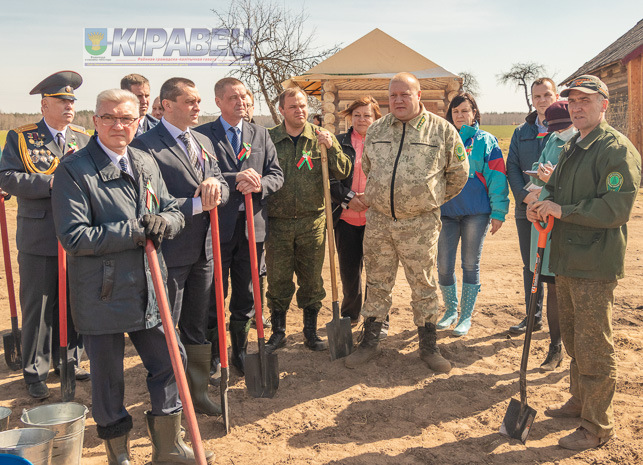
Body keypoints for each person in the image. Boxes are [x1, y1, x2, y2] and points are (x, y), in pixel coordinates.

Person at [52, 88, 215, 464]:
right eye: (109, 117)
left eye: (126, 118)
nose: (118, 126)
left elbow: (170, 209)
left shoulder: (143, 161)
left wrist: (167, 221)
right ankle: (118, 453)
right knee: (108, 382)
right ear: (95, 121)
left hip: (149, 287)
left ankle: (168, 447)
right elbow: (74, 237)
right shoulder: (75, 171)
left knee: (171, 362)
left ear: (138, 121)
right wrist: (137, 230)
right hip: (102, 294)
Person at [528, 75, 640, 450]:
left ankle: (597, 425)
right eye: (572, 101)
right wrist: (540, 207)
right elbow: (555, 189)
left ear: (604, 104)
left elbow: (615, 208)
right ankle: (580, 400)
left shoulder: (615, 150)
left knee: (594, 344)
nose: (577, 107)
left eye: (586, 101)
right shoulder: (574, 144)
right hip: (566, 256)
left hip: (595, 261)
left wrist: (564, 209)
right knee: (575, 338)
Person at [344, 72, 469, 372]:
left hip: (420, 225)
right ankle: (369, 343)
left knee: (423, 285)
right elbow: (372, 169)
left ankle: (428, 347)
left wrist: (428, 199)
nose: (398, 100)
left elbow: (458, 174)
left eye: (405, 94)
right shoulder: (376, 129)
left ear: (418, 95)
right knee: (376, 283)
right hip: (379, 223)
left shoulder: (441, 131)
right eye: (393, 96)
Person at [131, 77, 229, 416]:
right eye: (190, 102)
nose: (198, 108)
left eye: (198, 101)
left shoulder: (202, 140)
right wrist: (199, 204)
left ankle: (197, 392)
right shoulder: (144, 147)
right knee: (165, 328)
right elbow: (150, 204)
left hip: (204, 251)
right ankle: (171, 400)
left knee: (197, 324)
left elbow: (221, 187)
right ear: (167, 105)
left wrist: (216, 185)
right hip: (168, 252)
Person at [0, 71, 90, 400]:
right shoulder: (22, 137)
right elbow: (7, 177)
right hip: (40, 234)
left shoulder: (83, 138)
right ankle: (34, 371)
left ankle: (68, 359)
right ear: (44, 105)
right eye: (62, 101)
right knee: (39, 306)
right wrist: (49, 183)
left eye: (72, 101)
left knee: (72, 303)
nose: (69, 106)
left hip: (77, 234)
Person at [194, 78, 283, 379]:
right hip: (216, 229)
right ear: (218, 101)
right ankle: (215, 354)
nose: (241, 102)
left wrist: (259, 184)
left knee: (246, 295)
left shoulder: (261, 134)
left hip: (252, 230)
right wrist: (235, 178)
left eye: (244, 96)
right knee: (213, 294)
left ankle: (240, 352)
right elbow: (202, 175)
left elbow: (276, 175)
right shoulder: (202, 135)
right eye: (233, 97)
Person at [264, 86, 351, 352]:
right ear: (281, 111)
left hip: (311, 222)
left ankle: (310, 333)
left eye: (303, 106)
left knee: (312, 280)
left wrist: (332, 147)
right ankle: (278, 332)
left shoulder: (321, 137)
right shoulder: (268, 139)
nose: (299, 111)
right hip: (277, 223)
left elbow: (343, 170)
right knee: (278, 280)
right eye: (293, 107)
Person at [435, 92, 509, 336]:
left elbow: (497, 177)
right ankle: (450, 311)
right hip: (446, 212)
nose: (460, 115)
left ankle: (465, 316)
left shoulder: (486, 141)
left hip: (476, 213)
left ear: (474, 113)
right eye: (456, 111)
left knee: (469, 264)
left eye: (465, 111)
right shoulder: (443, 139)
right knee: (444, 265)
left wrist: (498, 211)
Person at [506, 77, 559, 334]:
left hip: (555, 208)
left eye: (547, 95)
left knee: (554, 266)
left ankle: (557, 324)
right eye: (537, 96)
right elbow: (512, 167)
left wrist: (546, 199)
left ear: (556, 96)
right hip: (526, 209)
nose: (542, 100)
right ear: (532, 99)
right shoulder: (521, 132)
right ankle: (532, 316)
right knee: (531, 264)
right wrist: (525, 197)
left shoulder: (564, 128)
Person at [528, 101, 576, 371]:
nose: (560, 132)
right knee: (552, 289)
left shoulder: (580, 142)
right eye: (555, 128)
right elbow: (538, 166)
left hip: (568, 221)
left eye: (564, 126)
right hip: (546, 223)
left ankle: (575, 353)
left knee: (571, 290)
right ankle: (554, 347)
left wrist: (552, 177)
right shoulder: (551, 140)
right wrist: (536, 181)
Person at [329, 96, 381, 325]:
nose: (362, 119)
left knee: (377, 272)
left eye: (367, 115)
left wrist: (369, 199)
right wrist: (349, 198)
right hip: (346, 217)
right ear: (351, 116)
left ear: (376, 117)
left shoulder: (383, 143)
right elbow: (330, 179)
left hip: (376, 217)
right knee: (349, 272)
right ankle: (350, 314)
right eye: (357, 115)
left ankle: (376, 315)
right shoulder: (338, 142)